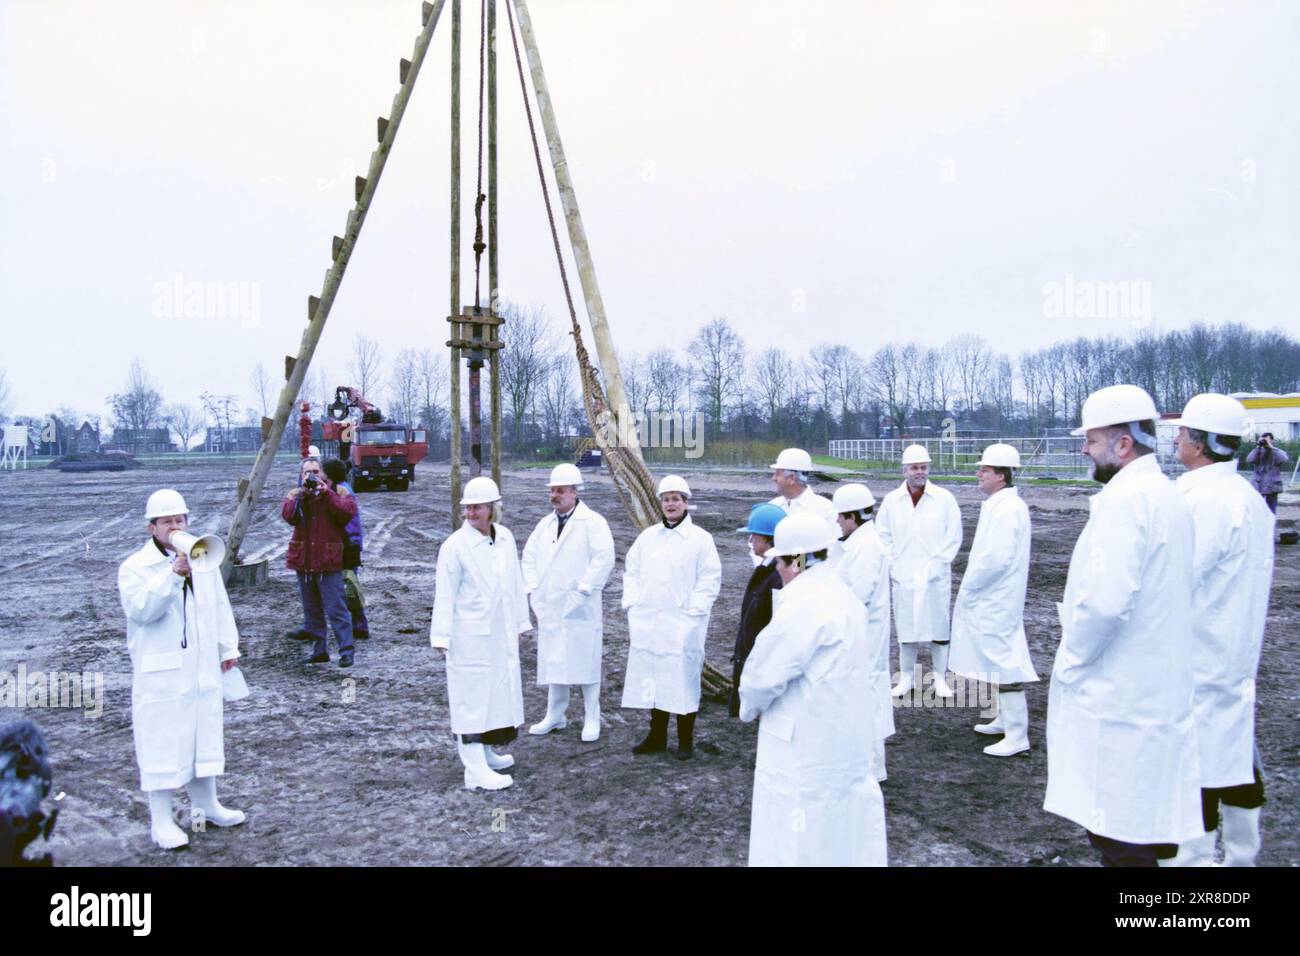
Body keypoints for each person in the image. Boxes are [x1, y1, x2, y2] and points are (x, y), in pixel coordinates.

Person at [1044, 384, 1201, 867]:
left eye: (1090, 441)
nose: (1084, 450)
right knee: (1143, 824)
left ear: (1122, 444)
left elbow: (1105, 605)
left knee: (1119, 833)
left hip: (1120, 695)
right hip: (1150, 689)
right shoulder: (1164, 494)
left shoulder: (1125, 500)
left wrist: (1070, 661)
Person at [739, 513, 887, 867]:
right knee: (840, 825)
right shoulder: (844, 598)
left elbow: (762, 677)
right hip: (844, 739)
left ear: (796, 560)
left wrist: (747, 709)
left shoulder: (802, 605)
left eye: (779, 561)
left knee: (796, 831)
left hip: (802, 744)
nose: (778, 568)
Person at [1170, 394, 1275, 865]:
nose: (1174, 439)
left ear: (1198, 442)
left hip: (1198, 654)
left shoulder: (1203, 500)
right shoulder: (1247, 498)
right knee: (1233, 756)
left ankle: (1196, 865)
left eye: (1181, 432)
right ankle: (1240, 856)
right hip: (1232, 653)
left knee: (1195, 767)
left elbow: (1176, 580)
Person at [118, 489, 244, 850]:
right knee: (162, 741)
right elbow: (142, 611)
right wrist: (173, 575)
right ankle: (161, 820)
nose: (175, 527)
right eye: (167, 521)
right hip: (161, 672)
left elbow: (219, 604)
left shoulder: (202, 557)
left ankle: (207, 805)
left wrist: (227, 646)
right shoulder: (134, 568)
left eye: (180, 520)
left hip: (201, 666)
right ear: (151, 527)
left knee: (202, 734)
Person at [430, 477, 531, 791]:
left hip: (499, 634)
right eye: (467, 508)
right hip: (468, 637)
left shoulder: (505, 538)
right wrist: (442, 637)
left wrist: (519, 624)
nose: (471, 513)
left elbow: (515, 583)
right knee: (471, 699)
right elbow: (444, 594)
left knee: (496, 693)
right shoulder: (455, 547)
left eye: (477, 507)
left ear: (492, 509)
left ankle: (487, 752)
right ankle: (473, 769)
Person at [621, 475, 722, 760]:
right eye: (666, 499)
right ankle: (657, 736)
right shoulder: (648, 538)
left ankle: (685, 739)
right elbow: (632, 571)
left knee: (683, 679)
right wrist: (633, 603)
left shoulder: (701, 539)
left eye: (676, 499)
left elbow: (710, 579)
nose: (670, 504)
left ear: (686, 502)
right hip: (651, 624)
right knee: (655, 678)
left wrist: (694, 611)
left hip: (683, 625)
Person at [949, 444, 1038, 757]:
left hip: (995, 598)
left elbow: (995, 558)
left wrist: (971, 586)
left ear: (1001, 475)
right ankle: (1003, 719)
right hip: (994, 597)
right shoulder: (999, 505)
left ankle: (1017, 734)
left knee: (1003, 661)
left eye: (984, 470)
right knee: (993, 658)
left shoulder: (1008, 509)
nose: (979, 474)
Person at [521, 463, 616, 742]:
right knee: (555, 661)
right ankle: (556, 714)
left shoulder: (593, 522)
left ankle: (591, 717)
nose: (555, 495)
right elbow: (528, 558)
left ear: (575, 491)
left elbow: (604, 559)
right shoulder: (544, 525)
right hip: (550, 606)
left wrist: (584, 589)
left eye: (560, 490)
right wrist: (533, 589)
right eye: (552, 490)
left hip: (581, 606)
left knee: (585, 663)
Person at [875, 444, 963, 698]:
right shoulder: (892, 501)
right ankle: (906, 679)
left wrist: (938, 564)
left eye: (923, 467)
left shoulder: (944, 499)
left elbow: (953, 535)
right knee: (907, 629)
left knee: (938, 628)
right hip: (903, 574)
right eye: (914, 467)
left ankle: (940, 679)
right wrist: (893, 565)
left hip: (935, 576)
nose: (919, 472)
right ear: (905, 470)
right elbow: (883, 535)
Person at [830, 483, 893, 782]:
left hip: (865, 635)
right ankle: (865, 762)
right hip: (858, 633)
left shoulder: (866, 547)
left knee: (867, 696)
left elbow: (859, 593)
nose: (837, 523)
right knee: (860, 694)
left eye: (840, 518)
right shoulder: (853, 542)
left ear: (853, 517)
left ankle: (874, 766)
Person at [282, 457, 357, 667]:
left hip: (328, 561)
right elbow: (289, 516)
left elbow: (347, 513)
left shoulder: (338, 493)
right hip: (304, 560)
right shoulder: (296, 495)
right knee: (311, 608)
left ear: (323, 473)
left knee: (336, 608)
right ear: (301, 475)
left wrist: (326, 494)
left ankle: (346, 650)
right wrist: (301, 496)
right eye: (307, 472)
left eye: (315, 471)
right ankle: (319, 649)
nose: (312, 475)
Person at [728, 503, 786, 718]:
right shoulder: (769, 569)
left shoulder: (778, 576)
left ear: (769, 538)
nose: (750, 539)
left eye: (754, 534)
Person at [323, 458, 371, 641]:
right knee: (348, 584)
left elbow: (347, 522)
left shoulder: (342, 493)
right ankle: (357, 625)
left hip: (347, 544)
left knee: (348, 585)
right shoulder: (341, 489)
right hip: (350, 542)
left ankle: (358, 626)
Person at [768, 448, 837, 535]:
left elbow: (833, 545)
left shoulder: (826, 510)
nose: (773, 478)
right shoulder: (772, 507)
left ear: (791, 478)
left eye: (777, 474)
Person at [1245, 432, 1290, 514]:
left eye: (1267, 440)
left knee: (1271, 509)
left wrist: (1271, 447)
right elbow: (1249, 459)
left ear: (1272, 440)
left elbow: (1284, 459)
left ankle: (1271, 524)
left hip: (1272, 485)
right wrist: (1258, 447)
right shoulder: (1258, 451)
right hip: (1258, 484)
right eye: (1264, 440)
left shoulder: (1276, 451)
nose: (1265, 442)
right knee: (1257, 508)